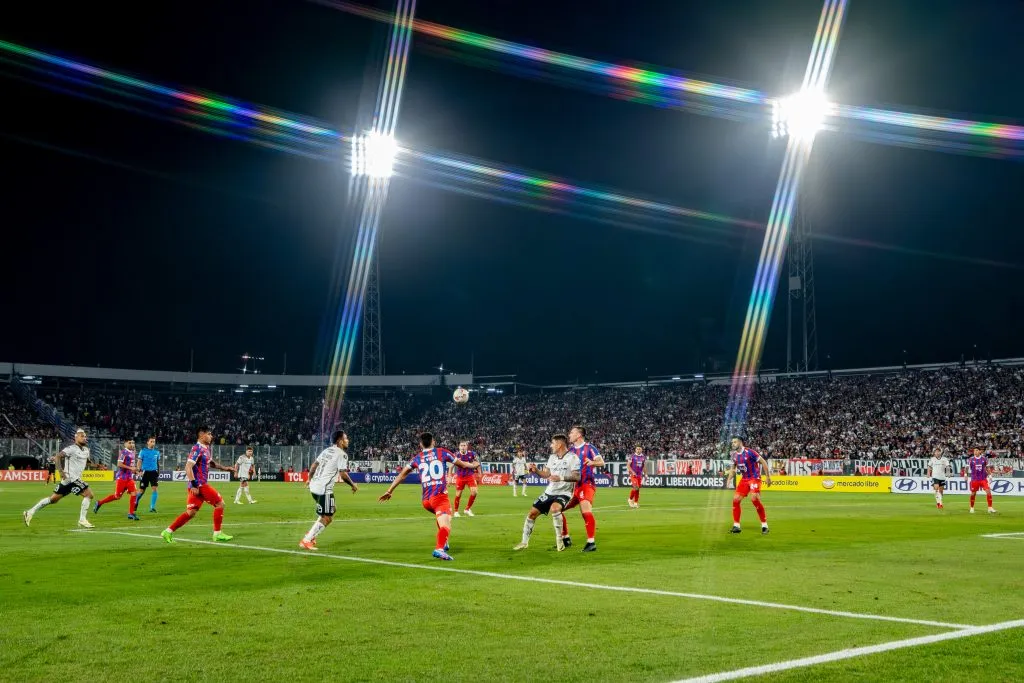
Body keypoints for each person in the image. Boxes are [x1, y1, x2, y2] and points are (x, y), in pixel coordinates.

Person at [378, 432, 479, 561]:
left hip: (426, 500)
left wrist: (390, 490)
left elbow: (402, 474)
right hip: (439, 497)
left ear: (420, 444)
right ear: (434, 442)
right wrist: (474, 465)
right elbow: (464, 465)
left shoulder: (417, 458)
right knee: (446, 524)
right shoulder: (442, 452)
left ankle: (444, 542)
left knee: (444, 516)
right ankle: (439, 549)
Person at [161, 426, 234, 543]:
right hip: (199, 485)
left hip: (197, 486)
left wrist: (226, 468)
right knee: (220, 504)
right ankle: (217, 534)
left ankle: (168, 531)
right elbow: (188, 467)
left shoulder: (206, 449)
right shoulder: (197, 448)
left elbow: (212, 463)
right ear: (201, 435)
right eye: (209, 434)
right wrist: (194, 485)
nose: (211, 436)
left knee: (191, 513)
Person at [513, 434, 580, 552]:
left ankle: (560, 541)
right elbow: (547, 475)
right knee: (532, 514)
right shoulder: (552, 457)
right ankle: (524, 542)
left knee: (555, 508)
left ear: (559, 445)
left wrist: (561, 478)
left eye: (553, 443)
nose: (551, 445)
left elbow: (577, 477)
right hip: (549, 491)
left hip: (564, 492)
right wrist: (536, 470)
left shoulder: (573, 457)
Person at [23, 428, 96, 528]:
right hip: (71, 478)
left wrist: (97, 466)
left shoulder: (86, 450)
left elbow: (87, 462)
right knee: (89, 494)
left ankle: (30, 512)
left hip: (69, 480)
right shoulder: (71, 449)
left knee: (53, 500)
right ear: (76, 438)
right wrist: (61, 472)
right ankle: (82, 520)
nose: (84, 438)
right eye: (82, 436)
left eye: (85, 436)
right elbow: (57, 456)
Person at [300, 430, 359, 550]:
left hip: (314, 486)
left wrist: (309, 479)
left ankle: (310, 535)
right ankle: (307, 540)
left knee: (331, 510)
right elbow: (342, 474)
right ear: (340, 441)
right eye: (346, 438)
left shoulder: (326, 451)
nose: (348, 441)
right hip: (324, 489)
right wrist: (353, 485)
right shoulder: (342, 454)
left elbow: (313, 466)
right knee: (328, 517)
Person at [560, 425, 604, 552]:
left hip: (586, 485)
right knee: (557, 509)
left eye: (572, 432)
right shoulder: (571, 451)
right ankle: (566, 538)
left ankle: (591, 543)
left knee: (585, 512)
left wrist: (592, 462)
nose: (569, 435)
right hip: (573, 487)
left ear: (579, 435)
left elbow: (601, 462)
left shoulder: (589, 448)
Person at [725, 436, 771, 534]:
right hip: (744, 479)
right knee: (736, 500)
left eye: (735, 442)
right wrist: (729, 479)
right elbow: (733, 469)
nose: (733, 444)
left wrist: (768, 477)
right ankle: (736, 526)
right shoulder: (734, 455)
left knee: (754, 499)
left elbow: (763, 462)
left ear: (740, 442)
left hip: (754, 478)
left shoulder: (750, 452)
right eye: (732, 442)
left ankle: (764, 525)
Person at [94, 439, 141, 520]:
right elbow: (119, 464)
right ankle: (99, 502)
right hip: (122, 478)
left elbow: (131, 466)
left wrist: (136, 472)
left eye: (133, 443)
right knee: (117, 497)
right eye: (129, 443)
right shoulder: (123, 452)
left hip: (129, 478)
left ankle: (131, 513)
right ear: (125, 444)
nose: (132, 444)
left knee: (134, 493)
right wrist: (131, 468)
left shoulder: (132, 453)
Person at [452, 440, 479, 518]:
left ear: (467, 446)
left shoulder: (472, 454)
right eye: (461, 445)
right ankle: (456, 511)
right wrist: (450, 476)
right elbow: (451, 466)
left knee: (474, 492)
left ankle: (467, 509)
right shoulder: (456, 455)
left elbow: (477, 463)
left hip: (470, 475)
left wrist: (472, 465)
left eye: (464, 445)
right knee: (458, 494)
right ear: (459, 447)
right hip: (460, 476)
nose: (463, 447)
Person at [135, 436, 161, 512]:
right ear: (148, 442)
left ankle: (152, 507)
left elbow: (157, 463)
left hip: (153, 472)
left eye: (154, 441)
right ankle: (135, 502)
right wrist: (139, 470)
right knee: (141, 491)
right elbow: (139, 461)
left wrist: (158, 472)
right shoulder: (143, 451)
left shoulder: (157, 452)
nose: (153, 443)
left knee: (155, 489)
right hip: (145, 472)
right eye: (151, 441)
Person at [967, 446, 996, 514]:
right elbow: (967, 468)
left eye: (976, 450)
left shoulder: (984, 459)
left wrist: (990, 475)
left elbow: (987, 467)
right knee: (973, 494)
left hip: (983, 479)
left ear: (980, 451)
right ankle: (972, 508)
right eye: (974, 451)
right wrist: (966, 475)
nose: (975, 452)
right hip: (975, 479)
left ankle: (990, 508)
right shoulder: (971, 459)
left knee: (988, 492)